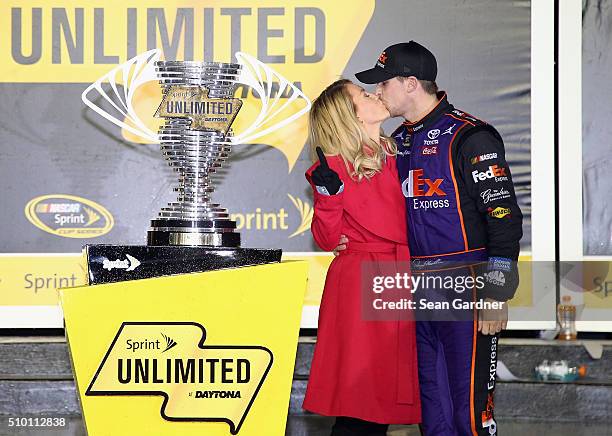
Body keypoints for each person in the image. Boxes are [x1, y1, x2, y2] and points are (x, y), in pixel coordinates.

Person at [344, 41, 524, 435]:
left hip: (468, 284)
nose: (377, 92)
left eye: (383, 83)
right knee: (433, 412)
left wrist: (497, 293)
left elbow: (504, 217)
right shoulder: (397, 142)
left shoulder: (470, 135)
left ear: (410, 83)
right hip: (416, 286)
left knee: (470, 412)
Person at [302, 78, 421, 435]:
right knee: (361, 402)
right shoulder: (333, 168)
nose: (375, 94)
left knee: (378, 401)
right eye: (363, 95)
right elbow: (325, 239)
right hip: (362, 284)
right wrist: (328, 195)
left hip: (399, 277)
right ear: (347, 116)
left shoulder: (401, 150)